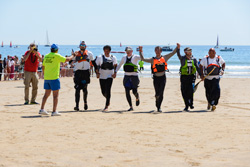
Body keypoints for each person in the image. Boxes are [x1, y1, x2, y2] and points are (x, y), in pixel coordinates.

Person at [139, 44, 178, 113]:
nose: (157, 51)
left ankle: (159, 107)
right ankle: (157, 103)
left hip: (163, 77)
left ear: (161, 51)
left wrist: (177, 47)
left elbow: (173, 53)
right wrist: (140, 51)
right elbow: (143, 59)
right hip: (156, 78)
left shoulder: (165, 57)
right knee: (157, 93)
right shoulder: (152, 59)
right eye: (156, 50)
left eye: (158, 50)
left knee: (161, 92)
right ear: (154, 51)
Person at [39, 44, 75, 116]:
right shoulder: (56, 55)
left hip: (47, 78)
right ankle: (54, 111)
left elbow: (43, 66)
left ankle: (42, 109)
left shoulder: (46, 56)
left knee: (46, 94)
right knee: (55, 95)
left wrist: (45, 74)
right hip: (54, 78)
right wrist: (73, 55)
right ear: (57, 50)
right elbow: (67, 59)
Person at [114, 46, 141, 111]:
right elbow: (119, 65)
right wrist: (115, 72)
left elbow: (142, 58)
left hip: (134, 77)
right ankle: (131, 106)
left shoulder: (135, 57)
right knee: (127, 92)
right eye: (127, 51)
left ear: (132, 51)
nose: (128, 52)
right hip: (126, 77)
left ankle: (137, 98)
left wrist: (140, 51)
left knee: (134, 91)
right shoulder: (124, 58)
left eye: (129, 51)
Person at [72, 41, 96, 111]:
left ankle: (85, 102)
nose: (82, 46)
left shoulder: (89, 53)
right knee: (77, 89)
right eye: (81, 45)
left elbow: (93, 62)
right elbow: (70, 61)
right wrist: (73, 55)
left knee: (85, 89)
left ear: (86, 46)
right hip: (78, 72)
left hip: (85, 72)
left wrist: (97, 70)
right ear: (79, 46)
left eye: (84, 45)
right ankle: (77, 106)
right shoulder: (76, 53)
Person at [177, 46, 201, 111]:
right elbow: (178, 54)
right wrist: (178, 48)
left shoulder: (194, 59)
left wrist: (201, 75)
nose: (190, 53)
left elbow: (197, 67)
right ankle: (186, 105)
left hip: (192, 77)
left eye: (190, 51)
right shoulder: (182, 58)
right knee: (184, 91)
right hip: (184, 77)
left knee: (191, 91)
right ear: (185, 52)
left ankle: (191, 103)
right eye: (188, 51)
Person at [95, 45, 117, 112]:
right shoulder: (100, 57)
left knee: (108, 89)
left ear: (110, 51)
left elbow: (115, 65)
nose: (106, 52)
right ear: (104, 51)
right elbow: (96, 66)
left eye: (108, 50)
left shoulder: (113, 57)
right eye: (105, 50)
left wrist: (115, 73)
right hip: (102, 76)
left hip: (110, 75)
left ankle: (106, 106)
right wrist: (97, 73)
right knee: (103, 91)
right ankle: (108, 98)